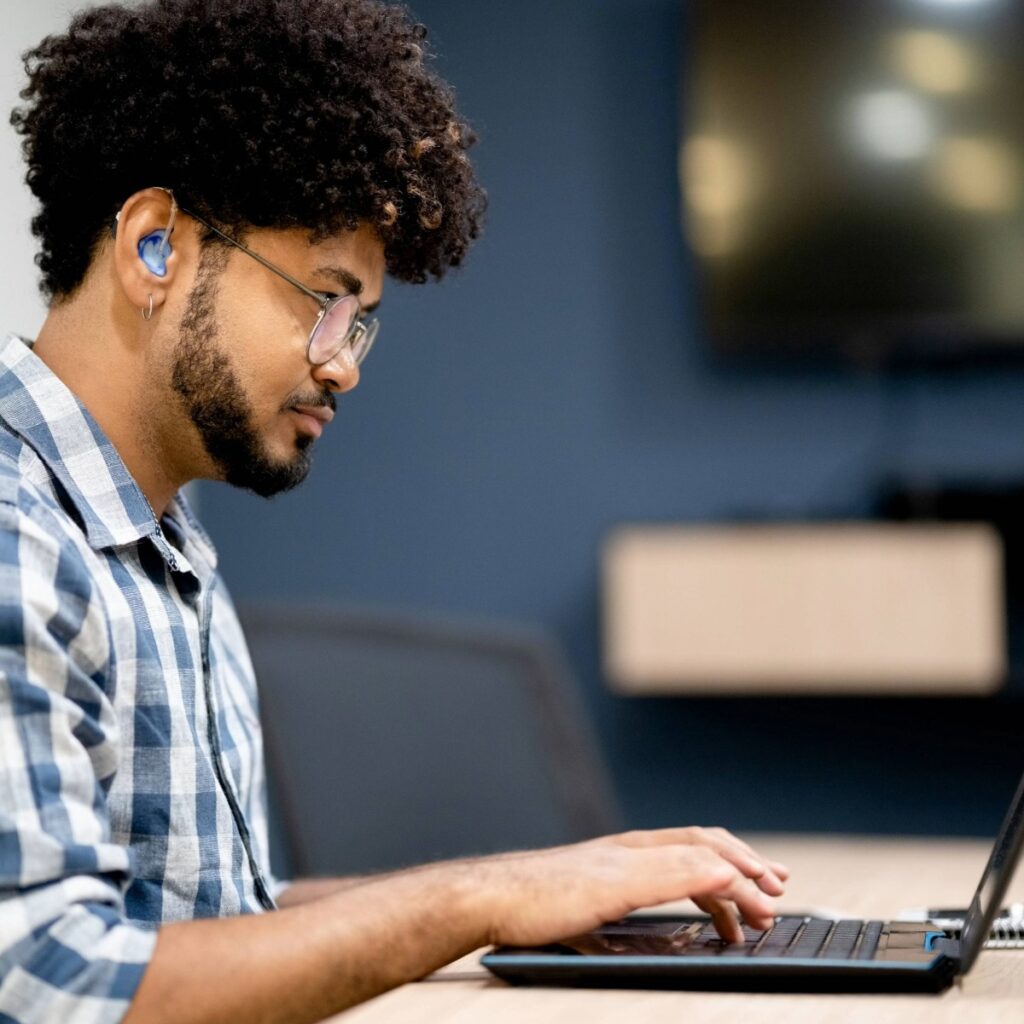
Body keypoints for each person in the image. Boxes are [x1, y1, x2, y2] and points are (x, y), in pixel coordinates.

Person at [0, 1, 788, 1021]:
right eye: (323, 299)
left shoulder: (160, 547)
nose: (341, 364)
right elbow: (50, 981)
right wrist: (477, 897)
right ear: (156, 247)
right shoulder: (20, 540)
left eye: (359, 325)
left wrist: (532, 890)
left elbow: (203, 921)